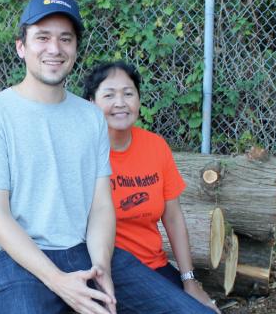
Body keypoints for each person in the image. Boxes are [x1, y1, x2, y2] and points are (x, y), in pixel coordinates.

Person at [0, 0, 214, 313]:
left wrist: (102, 269)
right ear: (21, 47)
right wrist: (59, 281)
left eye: (65, 39)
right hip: (16, 259)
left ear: (74, 49)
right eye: (42, 37)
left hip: (85, 252)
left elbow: (100, 206)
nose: (54, 49)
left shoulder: (90, 116)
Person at [83, 61, 221, 313]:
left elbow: (174, 217)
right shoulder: (83, 152)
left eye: (128, 93)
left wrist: (189, 280)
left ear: (138, 99)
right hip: (109, 272)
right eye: (109, 95)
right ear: (91, 103)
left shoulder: (155, 146)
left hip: (154, 266)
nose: (120, 103)